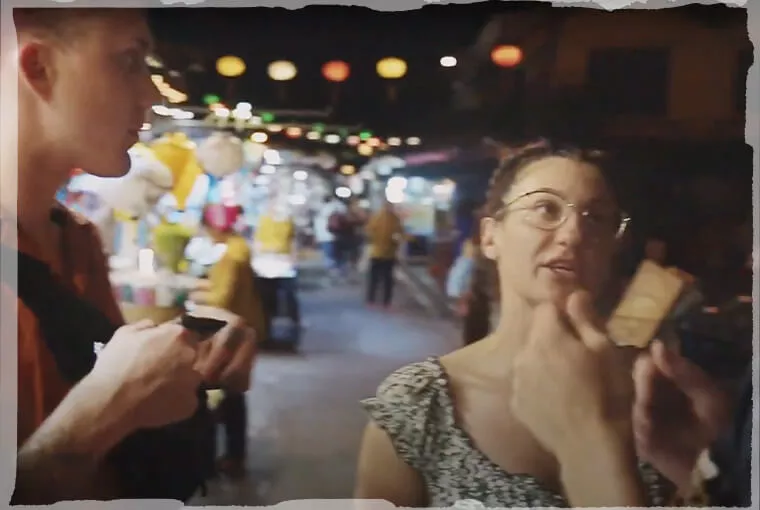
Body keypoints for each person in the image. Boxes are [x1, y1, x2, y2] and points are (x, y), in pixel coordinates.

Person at [1, 8, 256, 503]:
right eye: (129, 60)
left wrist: (183, 341)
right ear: (39, 68)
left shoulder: (76, 238)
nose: (154, 93)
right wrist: (100, 414)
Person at [354, 141, 670, 507]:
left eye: (596, 217)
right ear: (490, 236)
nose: (573, 234)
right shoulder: (420, 404)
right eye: (545, 209)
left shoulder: (656, 401)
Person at [191, 204, 264, 478]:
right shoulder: (236, 248)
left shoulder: (231, 256)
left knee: (223, 395)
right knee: (231, 396)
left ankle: (226, 459)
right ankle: (232, 456)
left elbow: (222, 298)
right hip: (239, 328)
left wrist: (195, 296)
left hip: (232, 333)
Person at [364, 200, 405, 309]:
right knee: (387, 279)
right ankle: (386, 302)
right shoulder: (395, 219)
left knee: (374, 278)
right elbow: (400, 234)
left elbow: (369, 232)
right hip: (388, 254)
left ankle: (371, 300)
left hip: (376, 253)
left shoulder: (376, 218)